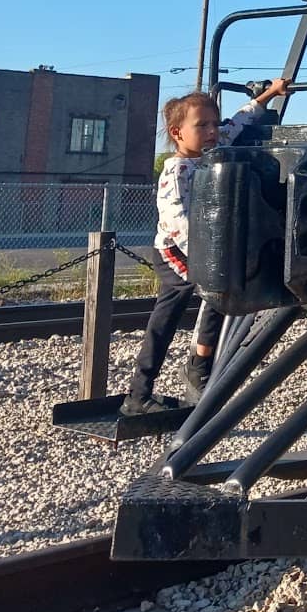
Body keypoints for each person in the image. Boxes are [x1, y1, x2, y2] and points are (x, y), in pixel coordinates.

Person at [121, 78, 290, 416]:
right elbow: (176, 221)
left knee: (218, 295)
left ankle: (198, 364)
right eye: (202, 125)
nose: (213, 131)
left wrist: (269, 95)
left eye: (214, 123)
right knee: (173, 315)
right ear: (177, 133)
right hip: (177, 252)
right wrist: (211, 253)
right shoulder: (177, 170)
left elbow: (239, 120)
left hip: (205, 249)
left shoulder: (212, 150)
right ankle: (140, 393)